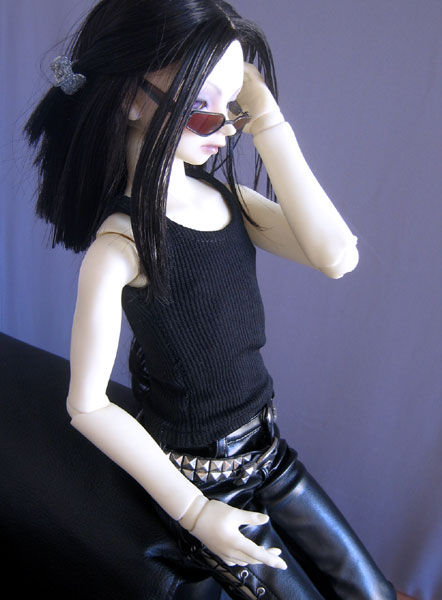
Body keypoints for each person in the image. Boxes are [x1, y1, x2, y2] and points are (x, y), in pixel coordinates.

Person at [25, 1, 397, 598]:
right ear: (132, 99)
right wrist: (195, 512)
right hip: (202, 478)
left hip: (270, 451)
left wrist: (268, 121)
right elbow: (87, 406)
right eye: (203, 110)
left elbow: (337, 256)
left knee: (370, 590)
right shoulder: (120, 248)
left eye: (233, 109)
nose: (226, 129)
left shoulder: (230, 202)